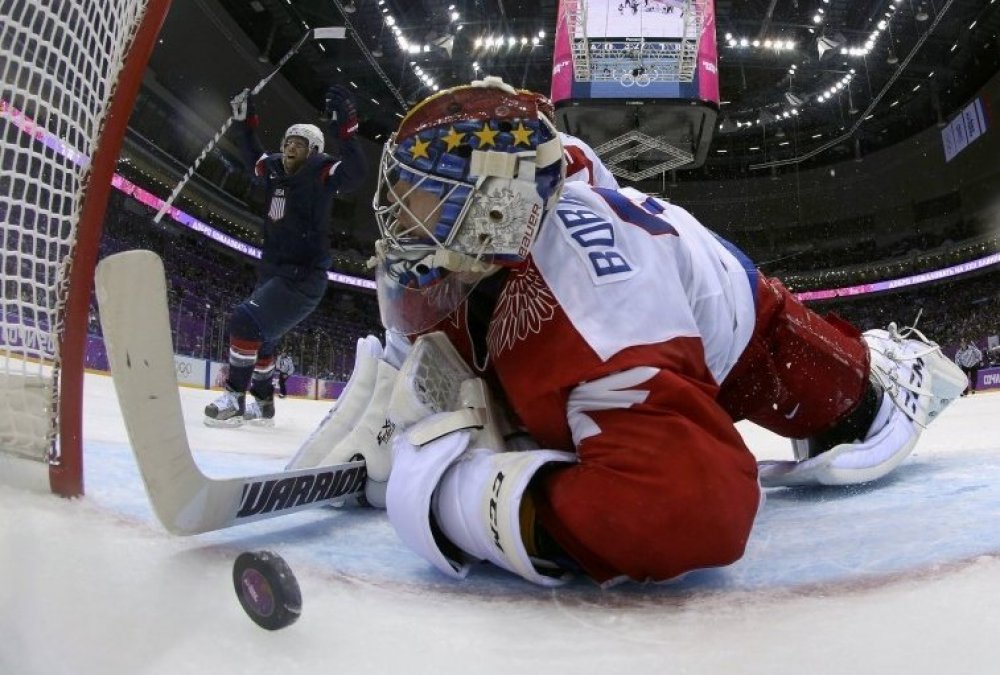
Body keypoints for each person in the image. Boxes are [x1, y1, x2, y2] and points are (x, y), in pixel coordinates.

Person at [302, 77, 966, 588]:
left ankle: (887, 362)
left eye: (424, 203)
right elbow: (570, 156)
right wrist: (397, 374)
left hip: (749, 337)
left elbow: (692, 508)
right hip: (652, 287)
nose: (400, 221)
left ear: (496, 210)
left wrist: (457, 494)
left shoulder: (593, 309)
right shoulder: (521, 210)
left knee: (855, 416)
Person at [204, 85, 366, 426]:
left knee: (245, 321)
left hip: (303, 278)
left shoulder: (322, 171)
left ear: (315, 150)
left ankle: (234, 397)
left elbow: (355, 175)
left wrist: (347, 131)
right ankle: (263, 403)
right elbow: (250, 153)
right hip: (273, 270)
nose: (291, 146)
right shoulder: (275, 168)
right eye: (288, 141)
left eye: (300, 143)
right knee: (264, 339)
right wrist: (244, 121)